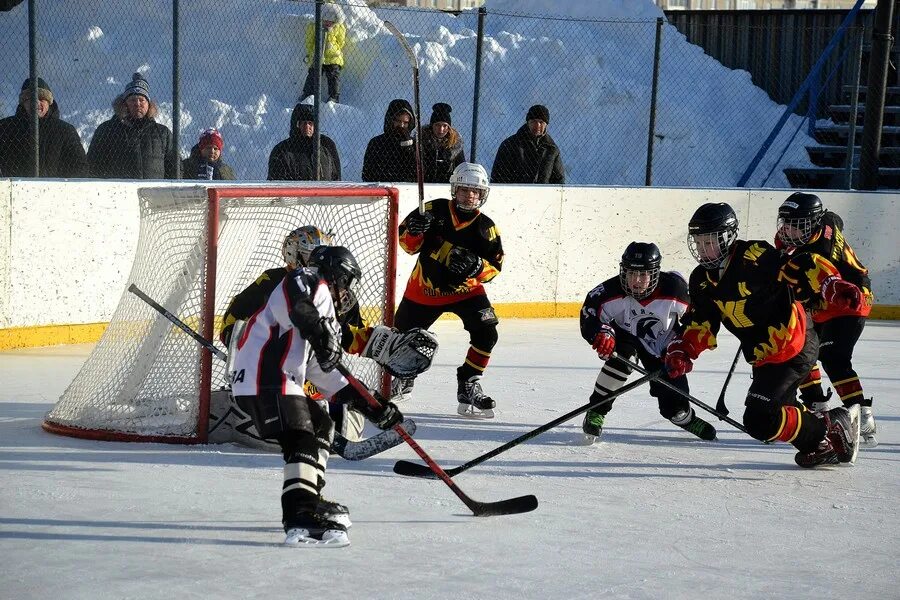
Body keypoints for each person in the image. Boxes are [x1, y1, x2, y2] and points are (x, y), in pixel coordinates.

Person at [229, 245, 404, 547]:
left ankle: (309, 496)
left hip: (278, 380)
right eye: (346, 280)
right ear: (335, 272)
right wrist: (318, 331)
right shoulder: (306, 279)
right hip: (265, 378)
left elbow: (322, 372)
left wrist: (369, 402)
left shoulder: (326, 312)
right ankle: (300, 515)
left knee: (321, 425)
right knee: (301, 439)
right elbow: (298, 307)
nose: (347, 290)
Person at [664, 202, 862, 468]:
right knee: (775, 416)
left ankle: (827, 430)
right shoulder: (700, 279)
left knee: (760, 419)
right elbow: (702, 322)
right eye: (698, 242)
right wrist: (684, 348)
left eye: (709, 241)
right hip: (764, 357)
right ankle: (823, 440)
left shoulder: (753, 255)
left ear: (727, 237)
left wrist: (831, 284)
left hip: (795, 343)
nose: (703, 248)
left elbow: (802, 263)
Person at [220, 226, 434, 442]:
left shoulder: (334, 289)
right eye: (307, 254)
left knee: (348, 417)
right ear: (292, 253)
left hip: (312, 370)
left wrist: (382, 343)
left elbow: (343, 336)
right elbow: (234, 322)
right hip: (274, 369)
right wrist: (245, 347)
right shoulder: (275, 281)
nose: (313, 260)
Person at [393, 162, 504, 417]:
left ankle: (469, 382)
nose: (470, 196)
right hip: (424, 290)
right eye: (465, 190)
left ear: (483, 194)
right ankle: (403, 377)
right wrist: (413, 231)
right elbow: (407, 246)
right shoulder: (432, 209)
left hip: (466, 291)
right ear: (455, 189)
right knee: (401, 339)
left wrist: (477, 266)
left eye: (475, 191)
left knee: (487, 333)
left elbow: (495, 268)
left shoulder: (486, 228)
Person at [579, 242, 716, 444]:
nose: (636, 281)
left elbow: (697, 322)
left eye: (643, 275)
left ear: (655, 273)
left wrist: (683, 348)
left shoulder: (676, 289)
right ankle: (596, 411)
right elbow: (589, 313)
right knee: (622, 358)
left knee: (674, 408)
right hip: (628, 338)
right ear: (622, 271)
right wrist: (602, 332)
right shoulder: (608, 291)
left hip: (664, 347)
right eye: (631, 274)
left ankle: (686, 418)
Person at [775, 192, 876, 447]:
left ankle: (860, 412)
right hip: (824, 301)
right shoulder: (826, 221)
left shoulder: (818, 252)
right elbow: (836, 219)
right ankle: (817, 404)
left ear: (812, 225)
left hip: (849, 297)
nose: (787, 231)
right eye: (786, 223)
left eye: (796, 226)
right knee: (802, 349)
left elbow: (807, 285)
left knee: (833, 356)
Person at [87, 73, 175, 179]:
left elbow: (175, 166)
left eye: (142, 100)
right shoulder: (107, 130)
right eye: (133, 100)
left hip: (154, 193)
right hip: (118, 193)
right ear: (124, 104)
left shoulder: (163, 133)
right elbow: (93, 165)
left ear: (149, 104)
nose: (137, 104)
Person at [0, 77, 87, 178]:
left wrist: (61, 187)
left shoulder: (65, 130)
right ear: (23, 103)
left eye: (41, 98)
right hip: (13, 190)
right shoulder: (5, 127)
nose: (36, 103)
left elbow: (80, 167)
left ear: (49, 103)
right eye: (31, 98)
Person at [490, 104, 564, 184]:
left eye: (541, 122)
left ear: (546, 125)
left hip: (542, 195)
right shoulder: (510, 145)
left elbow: (559, 179)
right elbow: (499, 176)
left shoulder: (552, 149)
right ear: (528, 122)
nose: (538, 125)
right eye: (534, 121)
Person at [268, 103, 341, 181]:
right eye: (303, 123)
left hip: (323, 192)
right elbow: (276, 183)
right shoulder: (282, 150)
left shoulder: (327, 145)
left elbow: (336, 178)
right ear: (297, 125)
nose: (307, 127)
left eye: (310, 123)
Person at [361, 98, 417, 183]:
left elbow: (418, 173)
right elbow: (367, 174)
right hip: (382, 190)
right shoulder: (377, 143)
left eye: (405, 122)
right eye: (398, 121)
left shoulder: (415, 144)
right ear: (390, 120)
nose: (401, 125)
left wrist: (407, 147)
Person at [300, 2, 346, 103]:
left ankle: (334, 96)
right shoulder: (314, 25)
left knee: (334, 75)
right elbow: (309, 40)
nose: (328, 23)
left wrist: (334, 48)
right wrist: (310, 51)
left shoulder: (338, 27)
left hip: (333, 57)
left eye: (332, 21)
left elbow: (341, 41)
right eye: (326, 20)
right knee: (313, 74)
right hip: (317, 55)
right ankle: (307, 94)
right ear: (321, 17)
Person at [421, 102, 465, 183]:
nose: (441, 130)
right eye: (437, 125)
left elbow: (461, 167)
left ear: (449, 128)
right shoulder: (421, 141)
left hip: (448, 185)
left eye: (445, 126)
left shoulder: (455, 144)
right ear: (432, 126)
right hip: (424, 183)